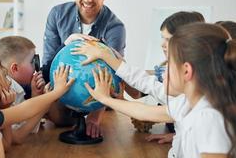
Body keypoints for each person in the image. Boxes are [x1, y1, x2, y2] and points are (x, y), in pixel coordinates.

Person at [75, 23, 236, 157]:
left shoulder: (210, 118)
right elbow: (144, 112)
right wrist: (106, 99)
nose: (163, 69)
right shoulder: (187, 104)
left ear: (186, 71)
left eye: (168, 63)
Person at [42, 0, 126, 138]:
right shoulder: (57, 15)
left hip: (99, 97)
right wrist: (67, 43)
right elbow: (47, 68)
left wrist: (94, 119)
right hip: (63, 90)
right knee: (58, 120)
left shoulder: (115, 27)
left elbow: (112, 75)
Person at [0, 36, 49, 144]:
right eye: (33, 61)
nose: (36, 67)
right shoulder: (8, 90)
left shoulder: (15, 88)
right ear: (15, 68)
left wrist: (36, 96)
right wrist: (46, 103)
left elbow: (27, 127)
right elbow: (17, 135)